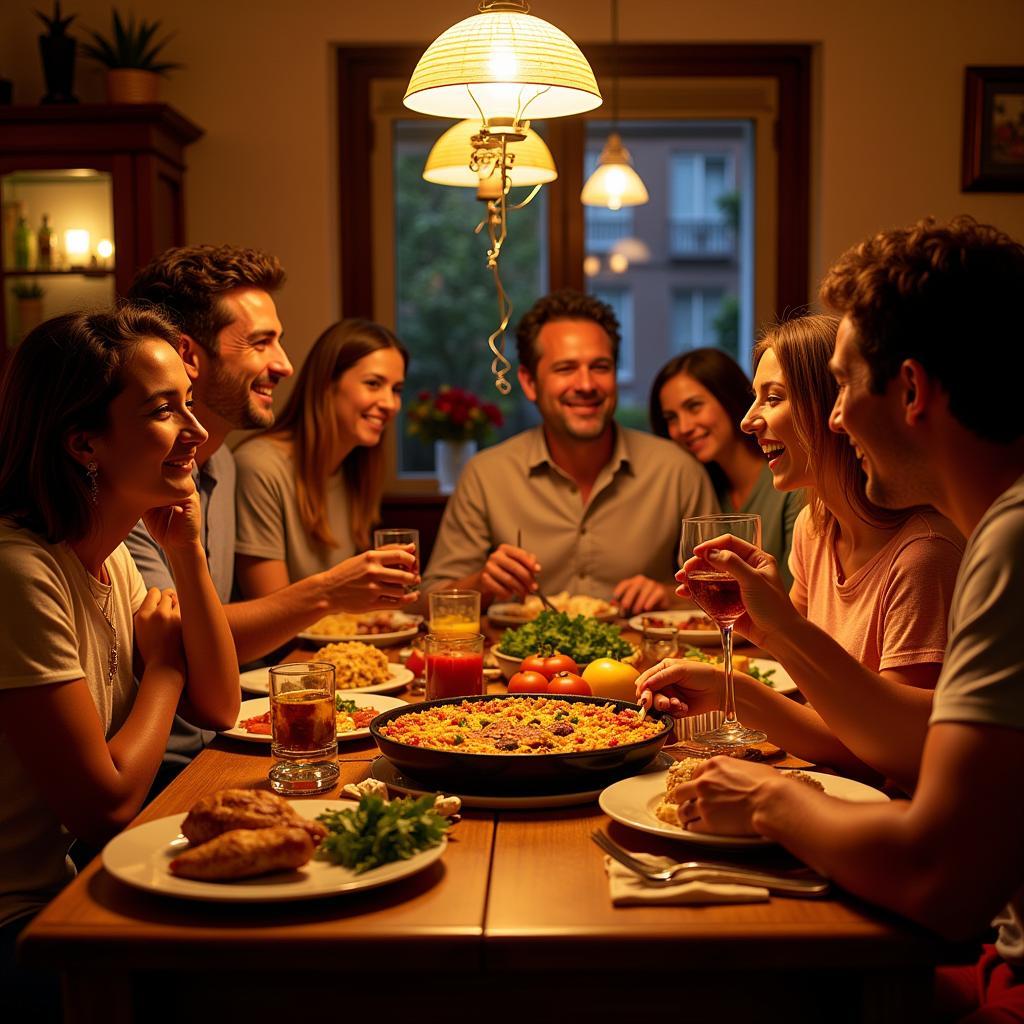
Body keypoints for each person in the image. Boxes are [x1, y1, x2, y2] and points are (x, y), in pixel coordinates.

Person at [638, 217, 1024, 1020]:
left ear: (912, 391)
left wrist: (767, 802)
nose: (839, 418)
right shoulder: (998, 529)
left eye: (843, 385)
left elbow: (939, 882)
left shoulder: (1004, 543)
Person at [0, 309, 238, 1012]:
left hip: (65, 886)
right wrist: (163, 669)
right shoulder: (21, 572)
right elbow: (104, 806)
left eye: (189, 405)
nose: (196, 433)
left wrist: (186, 552)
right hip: (17, 916)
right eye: (166, 412)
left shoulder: (107, 562)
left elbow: (220, 708)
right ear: (84, 443)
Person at [126, 246, 418, 778]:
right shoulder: (134, 487)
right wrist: (329, 590)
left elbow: (209, 646)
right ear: (188, 354)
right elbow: (184, 645)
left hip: (225, 735)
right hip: (169, 765)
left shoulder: (224, 469)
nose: (285, 364)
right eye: (261, 343)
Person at [643, 313, 964, 774]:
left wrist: (782, 632)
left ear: (836, 408)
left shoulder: (924, 555)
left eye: (772, 398)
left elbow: (892, 755)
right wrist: (725, 688)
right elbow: (831, 725)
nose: (749, 420)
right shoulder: (815, 530)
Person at [421, 288, 717, 615]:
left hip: (645, 663)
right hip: (522, 663)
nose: (586, 384)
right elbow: (428, 601)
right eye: (565, 369)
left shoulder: (677, 471)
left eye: (600, 367)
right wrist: (483, 583)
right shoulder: (486, 475)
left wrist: (667, 595)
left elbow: (723, 590)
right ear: (530, 382)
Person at [233, 319, 407, 595]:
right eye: (374, 384)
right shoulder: (259, 466)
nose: (390, 404)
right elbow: (271, 612)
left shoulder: (356, 469)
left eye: (396, 390)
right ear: (327, 384)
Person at [650, 347, 804, 590]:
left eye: (694, 406)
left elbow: (793, 599)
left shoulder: (790, 483)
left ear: (728, 398)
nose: (683, 427)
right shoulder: (699, 490)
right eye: (670, 417)